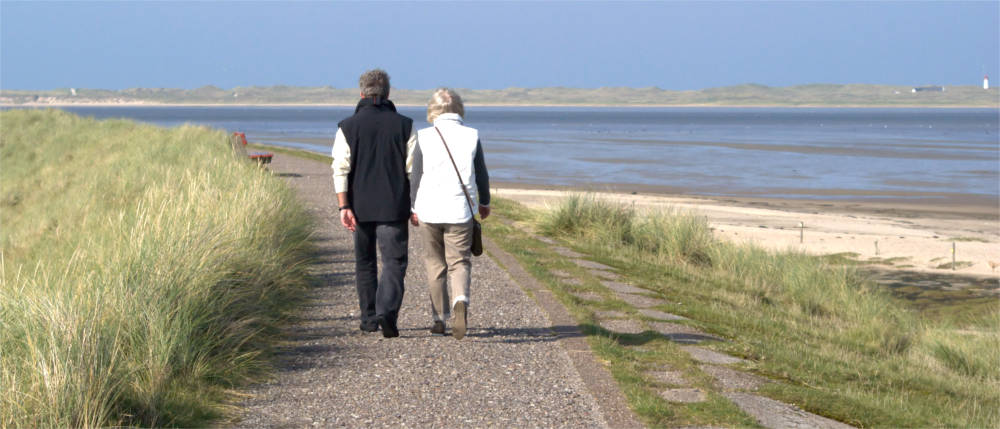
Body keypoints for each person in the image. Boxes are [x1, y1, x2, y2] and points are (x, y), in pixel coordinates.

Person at [331, 69, 417, 338]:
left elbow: (340, 169)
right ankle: (387, 311)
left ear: (361, 93)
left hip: (359, 206)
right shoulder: (405, 125)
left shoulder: (347, 126)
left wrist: (344, 206)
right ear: (388, 93)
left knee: (365, 262)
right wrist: (415, 206)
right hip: (394, 205)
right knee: (394, 261)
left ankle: (369, 318)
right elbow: (413, 170)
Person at [409, 88, 490, 340]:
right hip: (460, 210)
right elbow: (481, 174)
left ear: (433, 110)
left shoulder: (424, 136)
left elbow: (416, 176)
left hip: (429, 209)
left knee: (435, 264)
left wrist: (412, 207)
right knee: (460, 262)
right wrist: (484, 203)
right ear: (460, 109)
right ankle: (460, 301)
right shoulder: (472, 135)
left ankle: (438, 319)